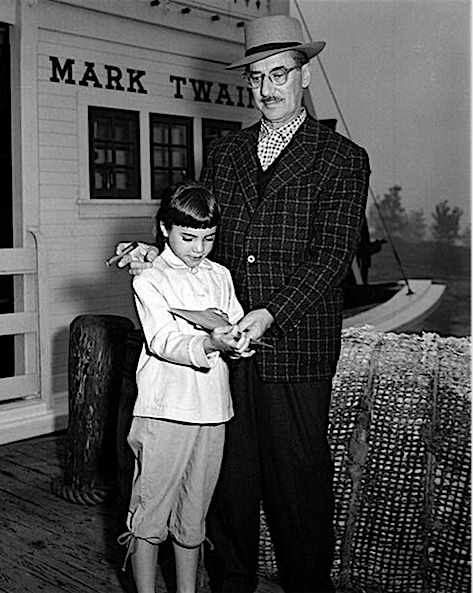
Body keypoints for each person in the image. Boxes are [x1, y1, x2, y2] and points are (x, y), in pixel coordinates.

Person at [115, 14, 370, 593]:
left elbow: (330, 258)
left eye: (280, 74)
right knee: (230, 487)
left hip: (294, 349)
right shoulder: (225, 151)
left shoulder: (341, 157)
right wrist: (150, 257)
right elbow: (198, 238)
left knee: (298, 486)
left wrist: (269, 313)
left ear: (304, 76)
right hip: (223, 354)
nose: (268, 88)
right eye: (256, 78)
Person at [118, 181, 252, 593]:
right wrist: (211, 342)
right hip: (165, 411)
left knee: (195, 512)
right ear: (164, 229)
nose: (198, 248)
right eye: (188, 237)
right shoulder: (150, 278)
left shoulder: (221, 274)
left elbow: (235, 322)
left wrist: (240, 342)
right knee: (151, 511)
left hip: (213, 411)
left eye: (208, 238)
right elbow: (162, 341)